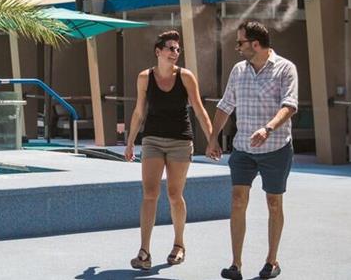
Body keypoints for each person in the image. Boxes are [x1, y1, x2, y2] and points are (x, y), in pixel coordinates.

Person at [207, 21, 298, 280]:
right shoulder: (238, 70)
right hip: (243, 149)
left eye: (240, 43)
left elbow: (289, 106)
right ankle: (235, 264)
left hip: (276, 147)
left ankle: (272, 261)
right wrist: (213, 138)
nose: (237, 47)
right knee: (237, 200)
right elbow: (225, 106)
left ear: (255, 44)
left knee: (274, 204)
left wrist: (267, 129)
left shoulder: (285, 68)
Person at [124, 30, 214, 270]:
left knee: (174, 195)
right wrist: (131, 141)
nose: (175, 52)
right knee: (150, 193)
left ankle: (179, 244)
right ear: (158, 51)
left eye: (177, 49)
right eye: (171, 48)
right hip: (152, 140)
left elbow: (198, 109)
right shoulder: (145, 77)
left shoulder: (186, 77)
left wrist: (212, 139)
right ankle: (144, 252)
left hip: (180, 142)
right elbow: (139, 111)